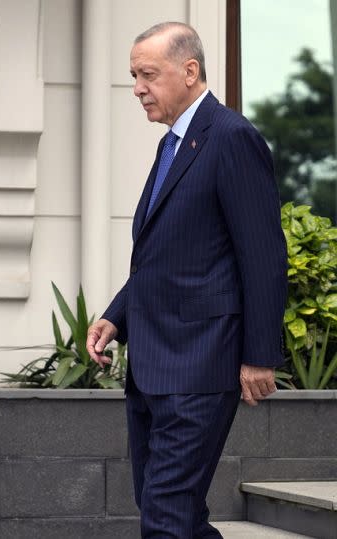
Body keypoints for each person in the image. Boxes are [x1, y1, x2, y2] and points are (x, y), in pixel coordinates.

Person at [85, 22, 287, 538]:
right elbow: (167, 255)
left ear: (190, 71)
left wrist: (260, 355)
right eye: (134, 75)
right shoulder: (173, 145)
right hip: (154, 364)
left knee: (167, 513)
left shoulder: (232, 138)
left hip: (200, 363)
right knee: (173, 513)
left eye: (147, 74)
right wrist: (116, 314)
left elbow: (262, 256)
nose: (137, 88)